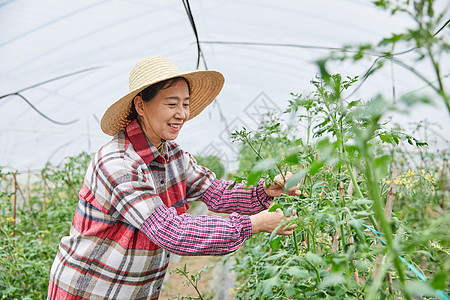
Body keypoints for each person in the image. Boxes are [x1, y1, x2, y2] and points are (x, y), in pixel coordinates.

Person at [47, 56, 299, 300]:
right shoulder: (118, 163)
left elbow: (218, 192)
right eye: (171, 104)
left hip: (134, 289)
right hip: (89, 290)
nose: (182, 113)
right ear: (140, 105)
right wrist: (252, 224)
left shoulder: (174, 156)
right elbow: (171, 232)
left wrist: (266, 191)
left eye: (185, 104)